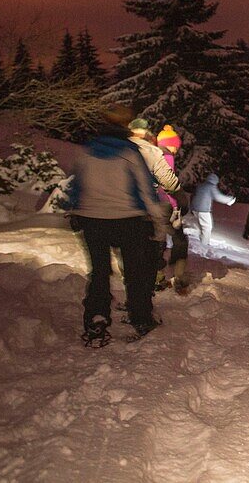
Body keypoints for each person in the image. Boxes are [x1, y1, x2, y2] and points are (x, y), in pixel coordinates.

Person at [68, 105, 167, 346]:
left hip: (92, 220)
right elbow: (145, 190)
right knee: (136, 271)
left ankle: (97, 318)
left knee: (99, 271)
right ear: (126, 125)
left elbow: (76, 186)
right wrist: (158, 222)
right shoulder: (130, 152)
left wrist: (74, 211)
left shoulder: (87, 150)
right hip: (128, 220)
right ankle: (141, 317)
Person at [127, 119, 181, 292]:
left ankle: (142, 279)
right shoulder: (161, 155)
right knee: (156, 243)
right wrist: (176, 204)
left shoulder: (127, 150)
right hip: (155, 205)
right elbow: (168, 183)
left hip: (131, 205)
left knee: (139, 245)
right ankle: (154, 279)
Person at [156, 125, 190, 293]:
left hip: (153, 204)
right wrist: (177, 205)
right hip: (165, 205)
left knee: (159, 240)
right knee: (180, 239)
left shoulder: (154, 154)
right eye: (175, 145)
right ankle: (179, 277)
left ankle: (157, 277)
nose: (176, 149)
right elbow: (168, 184)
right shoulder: (167, 156)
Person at [191, 172, 236, 252]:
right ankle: (203, 247)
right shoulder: (210, 186)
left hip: (195, 209)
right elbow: (218, 197)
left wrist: (192, 207)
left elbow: (193, 195)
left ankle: (202, 242)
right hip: (203, 210)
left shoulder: (201, 185)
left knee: (202, 227)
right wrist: (229, 200)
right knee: (207, 228)